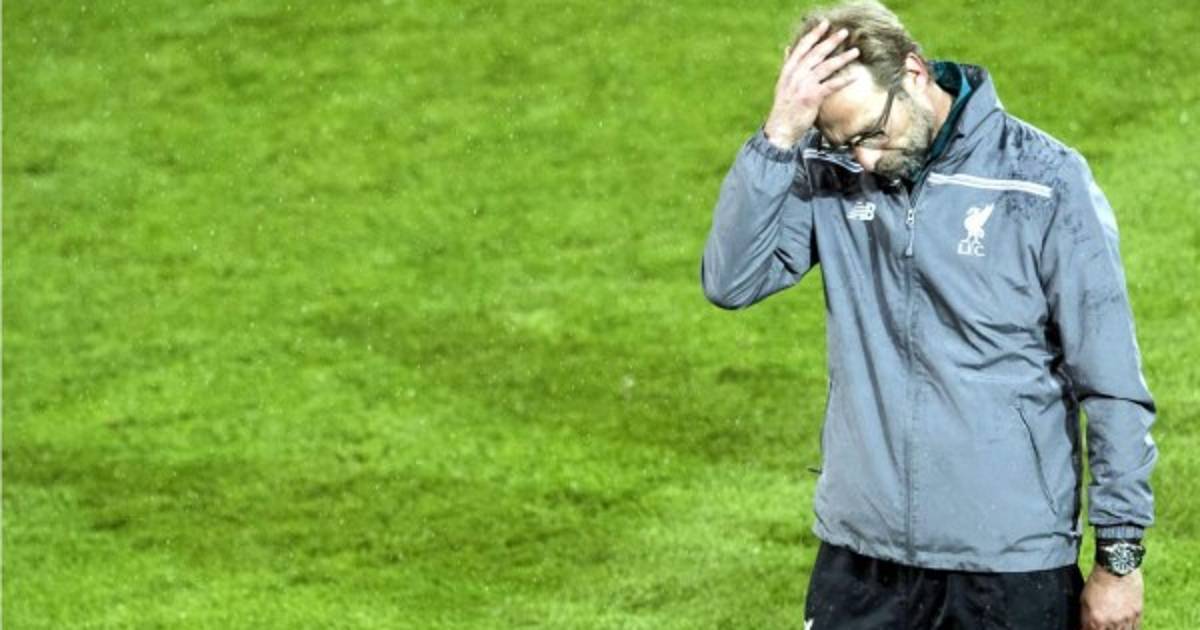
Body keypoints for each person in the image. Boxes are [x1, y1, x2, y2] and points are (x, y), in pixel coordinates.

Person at [698, 2, 1157, 628]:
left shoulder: (1042, 180)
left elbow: (1111, 382)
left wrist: (1119, 558)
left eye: (870, 133)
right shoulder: (830, 170)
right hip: (861, 558)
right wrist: (778, 139)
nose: (863, 159)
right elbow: (731, 281)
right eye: (841, 142)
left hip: (1007, 562)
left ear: (913, 73)